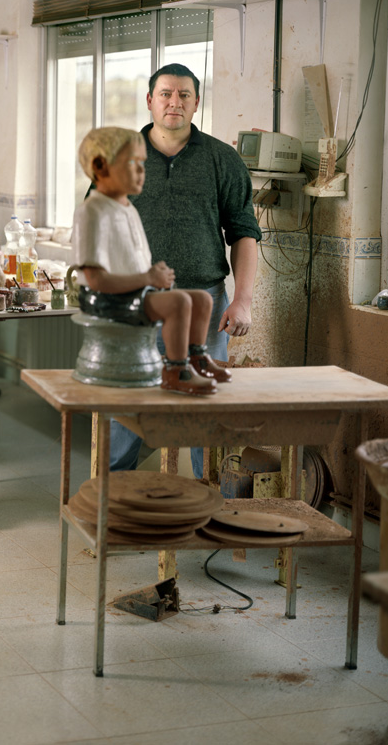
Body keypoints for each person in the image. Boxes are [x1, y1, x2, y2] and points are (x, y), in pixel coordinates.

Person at [112, 63, 262, 471]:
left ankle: (208, 505)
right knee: (124, 413)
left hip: (205, 308)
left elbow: (245, 233)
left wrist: (244, 301)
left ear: (196, 104)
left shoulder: (222, 159)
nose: (174, 102)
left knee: (204, 418)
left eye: (184, 95)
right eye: (165, 94)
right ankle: (108, 509)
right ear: (149, 101)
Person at [73, 127, 232, 398]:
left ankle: (197, 359)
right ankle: (175, 370)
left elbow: (134, 262)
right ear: (100, 166)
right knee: (179, 303)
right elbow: (97, 280)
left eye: (143, 164)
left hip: (134, 291)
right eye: (132, 164)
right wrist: (148, 279)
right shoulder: (93, 211)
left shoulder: (128, 208)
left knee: (203, 300)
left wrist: (154, 275)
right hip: (107, 298)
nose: (141, 172)